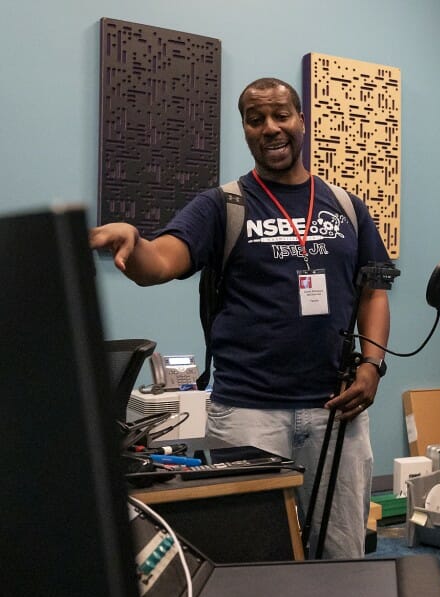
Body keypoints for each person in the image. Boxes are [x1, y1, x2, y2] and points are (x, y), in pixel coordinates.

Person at [90, 77, 391, 560]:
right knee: (255, 558)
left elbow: (374, 290)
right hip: (248, 414)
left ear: (301, 121)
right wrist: (135, 241)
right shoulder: (222, 205)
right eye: (256, 119)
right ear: (245, 129)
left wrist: (372, 365)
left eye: (281, 115)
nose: (270, 128)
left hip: (336, 411)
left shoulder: (347, 207)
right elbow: (163, 262)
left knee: (344, 557)